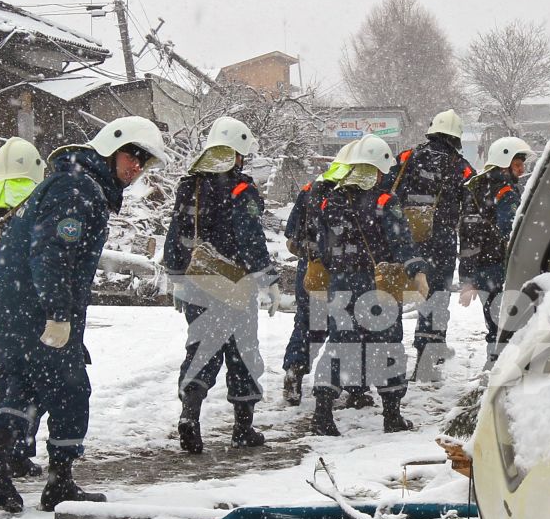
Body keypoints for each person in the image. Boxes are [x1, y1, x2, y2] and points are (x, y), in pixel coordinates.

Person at [0, 115, 168, 513]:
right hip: (34, 309)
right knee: (70, 388)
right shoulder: (77, 189)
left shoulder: (74, 183)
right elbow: (53, 254)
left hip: (17, 307)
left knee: (29, 386)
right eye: (134, 156)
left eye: (143, 161)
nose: (137, 168)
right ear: (111, 148)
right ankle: (55, 482)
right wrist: (58, 315)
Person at [164, 116, 273, 453]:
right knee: (242, 353)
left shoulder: (189, 185)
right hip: (234, 284)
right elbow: (250, 238)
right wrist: (268, 278)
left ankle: (190, 415)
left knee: (202, 350)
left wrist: (176, 276)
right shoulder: (242, 189)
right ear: (238, 153)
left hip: (198, 282)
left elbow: (176, 236)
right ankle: (243, 429)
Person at [309, 134, 428, 436]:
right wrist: (417, 271)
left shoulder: (330, 200)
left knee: (340, 345)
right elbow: (402, 241)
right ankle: (392, 414)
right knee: (386, 345)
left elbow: (320, 245)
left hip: (341, 283)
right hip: (377, 284)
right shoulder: (385, 202)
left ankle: (323, 412)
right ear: (376, 169)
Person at [0, 136, 45, 478]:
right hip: (26, 309)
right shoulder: (34, 207)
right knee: (29, 381)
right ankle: (11, 449)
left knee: (1, 378)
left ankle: (6, 445)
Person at [390, 109, 473, 380]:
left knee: (393, 297)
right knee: (437, 296)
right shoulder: (460, 166)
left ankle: (386, 354)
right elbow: (471, 204)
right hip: (442, 240)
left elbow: (387, 187)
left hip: (406, 237)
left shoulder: (407, 157)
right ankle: (428, 356)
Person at [279, 143, 354, 406]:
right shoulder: (352, 191)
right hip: (344, 270)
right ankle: (333, 384)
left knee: (308, 322)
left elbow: (291, 234)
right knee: (342, 327)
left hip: (310, 269)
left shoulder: (310, 189)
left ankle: (294, 370)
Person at [457, 135, 531, 365]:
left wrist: (467, 278)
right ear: (505, 163)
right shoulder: (505, 191)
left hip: (480, 265)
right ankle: (503, 364)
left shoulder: (476, 188)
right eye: (518, 165)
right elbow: (511, 228)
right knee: (508, 320)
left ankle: (495, 359)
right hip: (499, 264)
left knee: (493, 319)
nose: (522, 169)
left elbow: (467, 235)